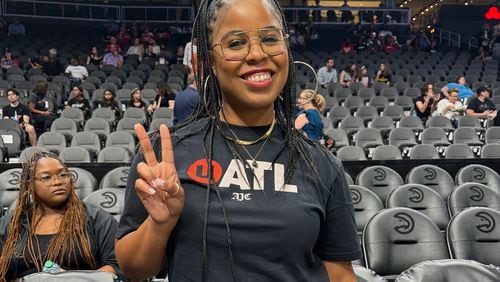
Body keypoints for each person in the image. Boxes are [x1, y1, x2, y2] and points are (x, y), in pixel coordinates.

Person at [115, 0, 360, 281]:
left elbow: (340, 274)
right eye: (235, 44)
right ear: (208, 63)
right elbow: (134, 270)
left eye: (270, 39)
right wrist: (161, 225)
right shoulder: (166, 154)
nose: (257, 54)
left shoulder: (322, 163)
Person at [0, 151, 121, 280]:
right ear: (30, 185)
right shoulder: (12, 223)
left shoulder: (97, 219)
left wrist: (71, 279)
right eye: (46, 177)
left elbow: (116, 266)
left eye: (63, 175)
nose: (58, 181)